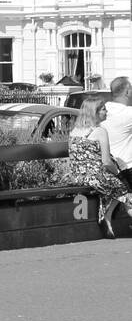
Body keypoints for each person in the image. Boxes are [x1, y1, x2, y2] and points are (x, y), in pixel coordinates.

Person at [63, 96, 130, 238]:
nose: (107, 112)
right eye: (104, 109)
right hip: (94, 176)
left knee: (113, 190)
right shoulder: (100, 131)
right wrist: (118, 173)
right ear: (95, 112)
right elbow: (106, 162)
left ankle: (107, 219)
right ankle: (106, 217)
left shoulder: (75, 130)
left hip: (78, 175)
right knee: (126, 191)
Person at [102, 76, 132, 190]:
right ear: (127, 91)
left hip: (108, 167)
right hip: (126, 167)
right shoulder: (127, 113)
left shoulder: (104, 109)